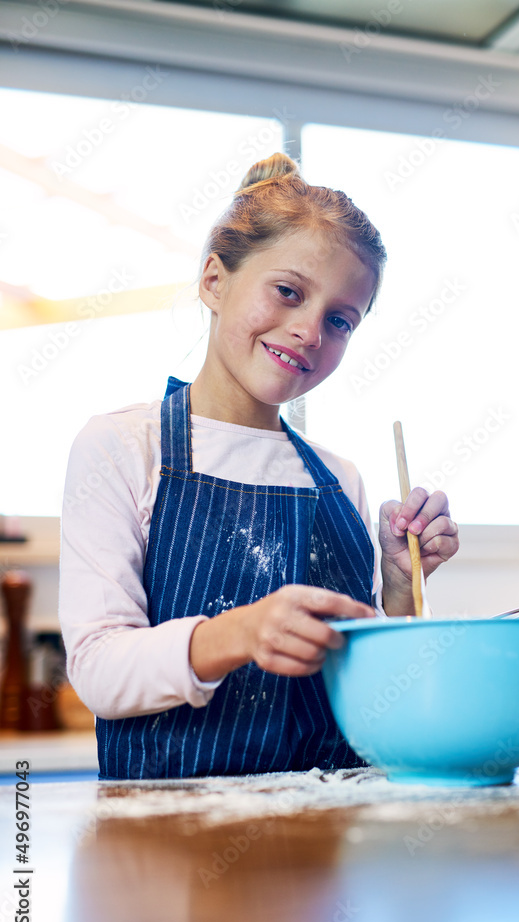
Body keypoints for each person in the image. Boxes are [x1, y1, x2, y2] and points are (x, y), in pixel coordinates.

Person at [59, 152, 459, 780]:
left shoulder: (340, 479)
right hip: (171, 846)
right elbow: (99, 671)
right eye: (288, 292)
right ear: (214, 281)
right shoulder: (123, 447)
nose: (309, 331)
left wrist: (403, 588)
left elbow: (378, 690)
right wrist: (239, 634)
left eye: (339, 320)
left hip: (330, 842)